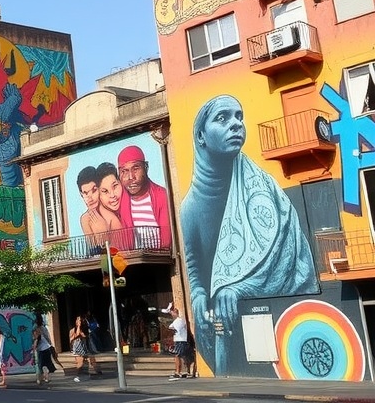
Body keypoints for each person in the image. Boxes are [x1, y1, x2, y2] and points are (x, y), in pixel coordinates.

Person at [181, 95, 318, 375]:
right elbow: (195, 268)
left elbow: (282, 249)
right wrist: (197, 295)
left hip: (279, 323)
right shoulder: (190, 208)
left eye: (239, 117)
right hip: (223, 324)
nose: (236, 125)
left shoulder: (265, 187)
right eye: (223, 118)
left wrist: (238, 288)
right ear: (201, 136)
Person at [117, 145, 171, 249]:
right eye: (124, 171)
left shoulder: (161, 196)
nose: (131, 177)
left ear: (146, 167)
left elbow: (167, 241)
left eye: (136, 168)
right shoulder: (120, 199)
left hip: (159, 260)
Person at [77, 166, 121, 252]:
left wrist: (103, 234)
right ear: (81, 194)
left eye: (94, 191)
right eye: (85, 193)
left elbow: (120, 251)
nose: (90, 198)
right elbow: (94, 252)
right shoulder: (85, 219)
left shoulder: (111, 217)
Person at [68, 315, 98, 382]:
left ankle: (84, 374)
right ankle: (78, 375)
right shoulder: (73, 330)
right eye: (77, 320)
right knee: (80, 363)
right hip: (77, 348)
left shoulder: (85, 330)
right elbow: (74, 336)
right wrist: (78, 327)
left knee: (85, 362)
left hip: (84, 348)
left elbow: (82, 335)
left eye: (79, 320)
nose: (78, 321)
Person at [32, 314, 55, 386]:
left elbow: (36, 339)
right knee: (46, 364)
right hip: (47, 347)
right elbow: (48, 338)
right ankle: (46, 377)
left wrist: (34, 348)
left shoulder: (35, 328)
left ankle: (39, 379)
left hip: (40, 349)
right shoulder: (44, 328)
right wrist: (50, 345)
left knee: (39, 364)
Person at [168, 308, 189, 380]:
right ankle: (183, 371)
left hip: (181, 341)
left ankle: (178, 372)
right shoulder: (176, 321)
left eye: (172, 313)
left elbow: (177, 329)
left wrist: (172, 329)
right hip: (178, 340)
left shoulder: (179, 321)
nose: (171, 315)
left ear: (175, 313)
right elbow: (170, 327)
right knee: (180, 355)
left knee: (177, 355)